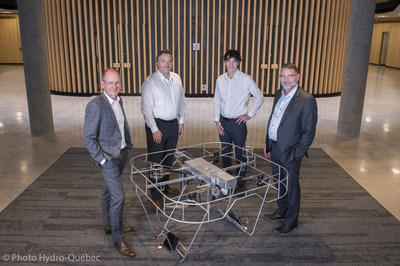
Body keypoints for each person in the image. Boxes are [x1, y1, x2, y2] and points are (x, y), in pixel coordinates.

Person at [83, 68, 135, 257]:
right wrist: (102, 160)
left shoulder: (118, 100)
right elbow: (88, 138)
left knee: (108, 191)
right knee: (119, 197)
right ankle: (118, 238)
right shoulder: (95, 105)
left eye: (117, 82)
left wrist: (126, 145)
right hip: (108, 159)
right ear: (102, 84)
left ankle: (108, 223)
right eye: (111, 83)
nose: (115, 86)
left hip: (121, 153)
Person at [263, 63, 318, 235]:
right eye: (283, 76)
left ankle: (291, 221)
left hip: (290, 153)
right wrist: (267, 141)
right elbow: (274, 119)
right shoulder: (279, 93)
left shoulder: (306, 100)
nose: (286, 80)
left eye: (290, 76)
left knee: (291, 186)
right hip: (275, 147)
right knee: (279, 183)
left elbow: (308, 132)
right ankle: (281, 211)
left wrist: (297, 154)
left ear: (298, 77)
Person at [141, 49, 186, 209]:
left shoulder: (177, 78)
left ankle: (165, 186)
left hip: (173, 125)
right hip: (157, 125)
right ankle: (155, 197)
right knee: (155, 162)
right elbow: (146, 109)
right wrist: (154, 129)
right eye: (163, 61)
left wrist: (180, 121)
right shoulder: (150, 82)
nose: (167, 64)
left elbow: (182, 101)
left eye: (169, 60)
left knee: (168, 159)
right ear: (157, 63)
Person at [213, 50, 264, 191]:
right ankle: (227, 176)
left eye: (234, 61)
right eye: (228, 60)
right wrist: (217, 120)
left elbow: (259, 97)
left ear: (238, 63)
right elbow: (217, 100)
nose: (231, 63)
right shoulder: (220, 79)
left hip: (238, 123)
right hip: (223, 121)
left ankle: (241, 179)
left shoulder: (246, 79)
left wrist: (249, 115)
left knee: (240, 151)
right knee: (225, 151)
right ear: (225, 62)